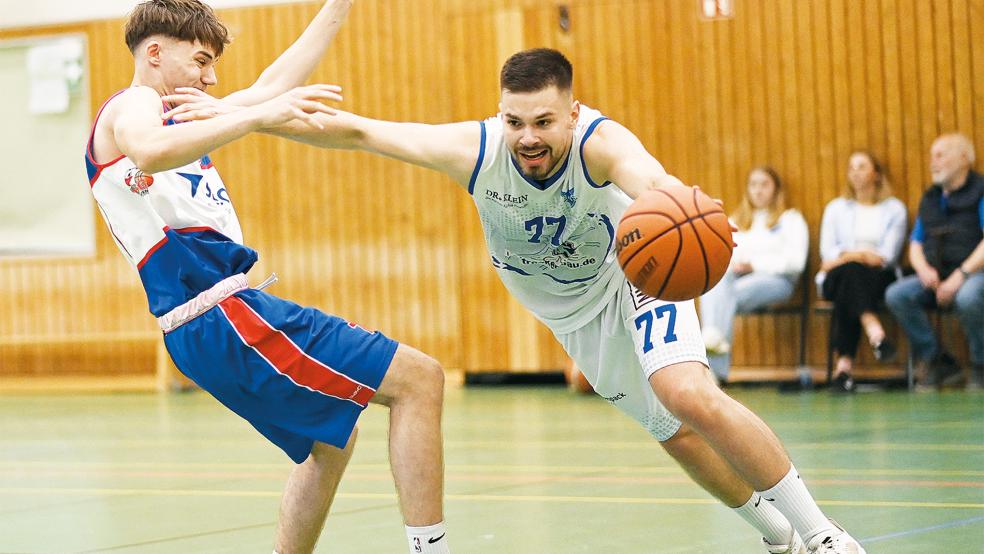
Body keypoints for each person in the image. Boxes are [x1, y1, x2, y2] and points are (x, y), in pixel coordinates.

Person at [166, 47, 868, 554]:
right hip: (568, 311)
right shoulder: (476, 150)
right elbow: (355, 131)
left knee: (687, 393)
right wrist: (241, 116)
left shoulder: (602, 143)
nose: (528, 137)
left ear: (573, 112)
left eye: (543, 122)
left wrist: (685, 213)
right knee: (673, 433)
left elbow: (650, 179)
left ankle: (825, 536)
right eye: (515, 121)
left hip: (635, 272)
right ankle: (779, 538)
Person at [84, 2, 450, 553]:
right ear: (154, 53)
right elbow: (152, 150)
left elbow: (273, 83)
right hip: (222, 315)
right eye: (201, 61)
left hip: (211, 323)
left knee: (332, 441)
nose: (211, 78)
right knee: (420, 381)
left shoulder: (184, 113)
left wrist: (337, 8)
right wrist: (257, 116)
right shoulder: (134, 105)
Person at [885, 133, 984, 390]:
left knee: (969, 297)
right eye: (931, 156)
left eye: (940, 155)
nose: (933, 162)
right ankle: (938, 360)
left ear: (964, 158)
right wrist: (923, 270)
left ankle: (980, 364)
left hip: (974, 274)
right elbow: (915, 243)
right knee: (898, 295)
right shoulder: (930, 198)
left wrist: (960, 276)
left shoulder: (981, 191)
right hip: (937, 274)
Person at [699, 166, 809, 384]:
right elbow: (723, 255)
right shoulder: (737, 220)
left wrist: (755, 265)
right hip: (737, 281)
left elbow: (796, 262)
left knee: (723, 297)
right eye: (754, 185)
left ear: (776, 189)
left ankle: (712, 361)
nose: (758, 190)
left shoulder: (790, 219)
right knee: (715, 281)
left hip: (777, 282)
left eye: (764, 185)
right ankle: (714, 351)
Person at [815, 151, 907, 392]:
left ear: (876, 174)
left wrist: (851, 256)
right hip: (835, 276)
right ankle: (875, 331)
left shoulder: (894, 208)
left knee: (851, 282)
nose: (855, 172)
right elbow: (827, 256)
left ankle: (843, 368)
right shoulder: (836, 208)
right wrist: (859, 256)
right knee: (850, 274)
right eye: (851, 167)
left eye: (862, 166)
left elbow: (887, 255)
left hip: (878, 278)